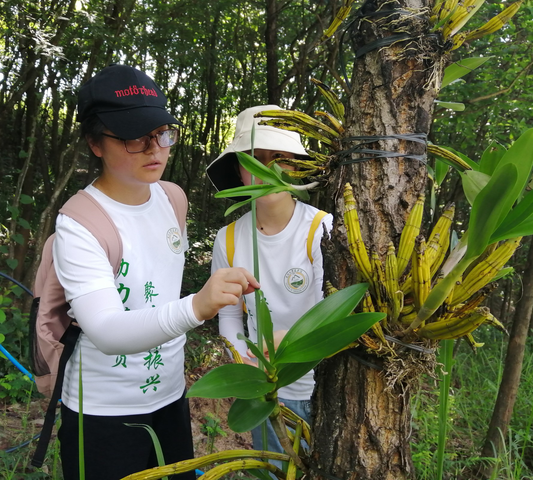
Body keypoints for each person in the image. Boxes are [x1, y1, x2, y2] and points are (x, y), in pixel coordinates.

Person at [53, 64, 259, 480]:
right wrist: (197, 307)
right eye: (135, 137)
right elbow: (108, 331)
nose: (156, 148)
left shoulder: (172, 199)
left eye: (163, 133)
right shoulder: (78, 224)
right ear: (96, 143)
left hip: (170, 397)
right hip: (103, 410)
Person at [206, 105, 333, 462]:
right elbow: (229, 315)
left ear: (297, 165)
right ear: (238, 169)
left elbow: (331, 311)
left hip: (317, 389)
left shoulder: (321, 229)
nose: (266, 170)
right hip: (261, 391)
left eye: (279, 157)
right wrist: (242, 359)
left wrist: (283, 344)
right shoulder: (228, 238)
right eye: (253, 159)